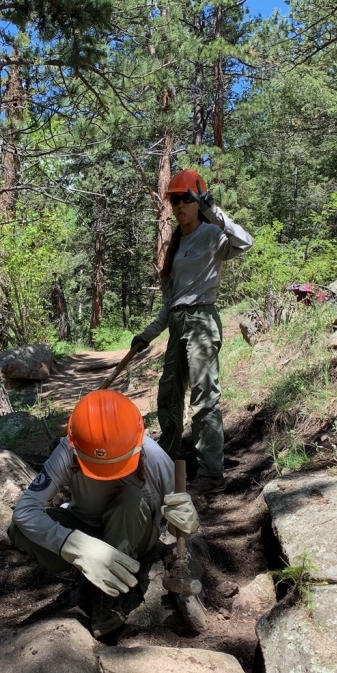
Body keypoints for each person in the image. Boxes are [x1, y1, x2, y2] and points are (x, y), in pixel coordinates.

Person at [9, 389, 199, 638]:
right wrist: (76, 547)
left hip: (133, 531)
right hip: (84, 526)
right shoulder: (67, 451)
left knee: (131, 497)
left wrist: (188, 521)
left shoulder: (154, 456)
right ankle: (90, 566)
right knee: (18, 531)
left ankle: (105, 596)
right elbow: (25, 512)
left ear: (138, 442)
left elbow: (180, 524)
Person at [131, 169, 253, 495]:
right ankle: (165, 466)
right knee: (168, 398)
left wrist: (214, 211)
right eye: (175, 199)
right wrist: (147, 334)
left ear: (198, 202)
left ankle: (212, 472)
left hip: (202, 321)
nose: (180, 205)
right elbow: (168, 303)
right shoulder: (175, 246)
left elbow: (246, 241)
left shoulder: (212, 235)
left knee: (204, 401)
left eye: (188, 199)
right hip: (177, 325)